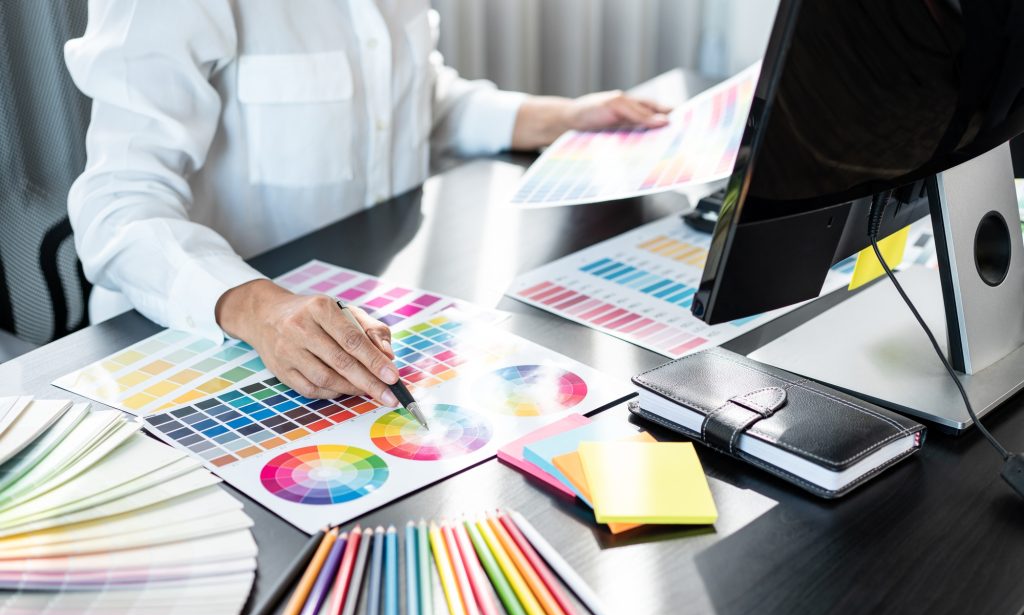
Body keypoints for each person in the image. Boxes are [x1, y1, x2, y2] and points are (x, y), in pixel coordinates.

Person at [65, 0, 670, 407]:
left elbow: (410, 102)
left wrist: (558, 119)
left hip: (354, 313)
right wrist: (259, 309)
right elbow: (117, 204)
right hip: (190, 342)